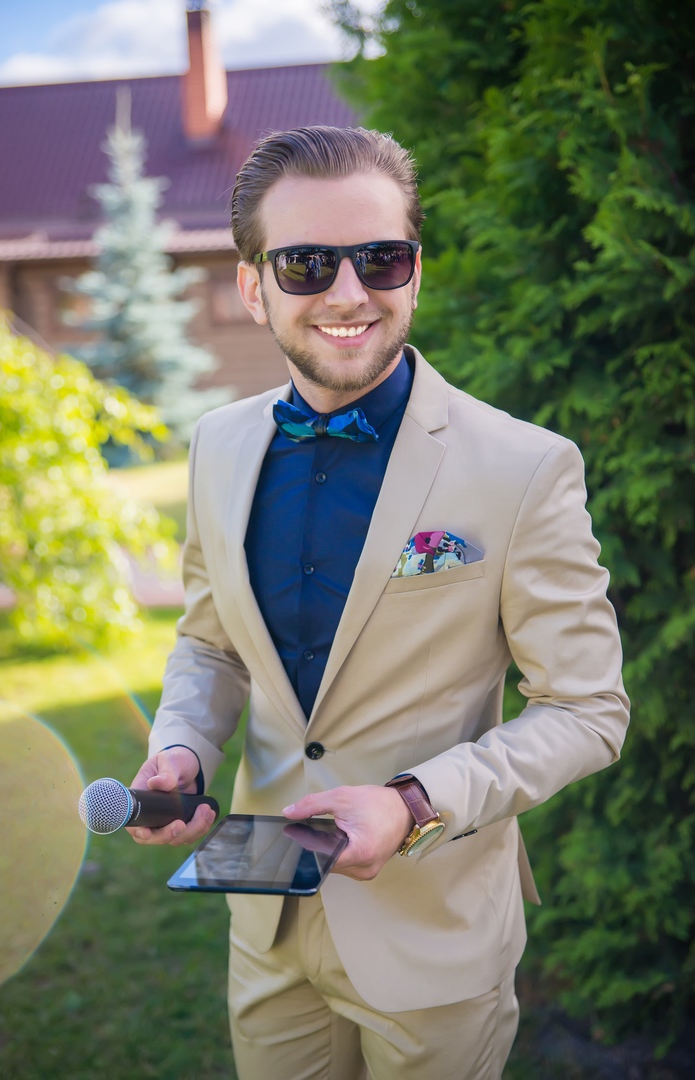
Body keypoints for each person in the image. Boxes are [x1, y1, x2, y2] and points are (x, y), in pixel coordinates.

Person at [128, 125, 629, 1080]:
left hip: (433, 933)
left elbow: (586, 709)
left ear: (415, 272)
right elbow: (211, 644)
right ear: (252, 287)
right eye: (307, 263)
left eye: (381, 258)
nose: (350, 293)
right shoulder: (216, 445)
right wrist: (182, 747)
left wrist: (414, 802)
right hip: (265, 920)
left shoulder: (524, 467)